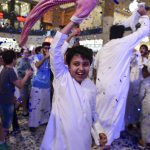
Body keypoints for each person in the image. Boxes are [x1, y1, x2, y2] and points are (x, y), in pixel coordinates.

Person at [40, 2, 107, 150]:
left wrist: (100, 132)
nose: (81, 69)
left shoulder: (90, 86)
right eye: (76, 64)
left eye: (85, 64)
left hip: (83, 143)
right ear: (68, 66)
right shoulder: (62, 79)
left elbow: (94, 114)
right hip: (60, 144)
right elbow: (55, 48)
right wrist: (75, 20)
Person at [94, 6, 150, 146]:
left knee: (100, 119)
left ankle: (98, 141)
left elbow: (95, 69)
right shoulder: (123, 43)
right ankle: (104, 145)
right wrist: (144, 15)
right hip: (115, 90)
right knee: (111, 123)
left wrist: (136, 14)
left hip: (101, 88)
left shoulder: (104, 48)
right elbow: (144, 30)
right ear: (122, 35)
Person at [0, 50, 33, 147]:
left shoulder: (4, 69)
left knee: (4, 123)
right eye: (15, 58)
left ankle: (3, 140)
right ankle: (2, 143)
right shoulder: (10, 71)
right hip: (6, 102)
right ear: (13, 59)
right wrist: (27, 75)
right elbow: (20, 85)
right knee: (6, 125)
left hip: (5, 99)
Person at [28, 42, 51, 132]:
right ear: (42, 48)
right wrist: (45, 57)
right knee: (35, 105)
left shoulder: (50, 58)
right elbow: (37, 65)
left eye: (49, 48)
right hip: (37, 85)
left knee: (45, 104)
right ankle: (33, 124)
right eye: (45, 48)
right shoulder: (36, 56)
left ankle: (44, 120)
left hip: (47, 85)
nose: (47, 49)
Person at [17, 48, 32, 116]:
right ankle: (24, 111)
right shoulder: (20, 61)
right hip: (22, 81)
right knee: (23, 97)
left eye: (28, 53)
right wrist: (26, 73)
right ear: (22, 53)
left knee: (26, 96)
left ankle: (19, 107)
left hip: (28, 81)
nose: (27, 54)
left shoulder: (29, 60)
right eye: (25, 53)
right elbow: (18, 71)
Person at [138, 66, 150, 149]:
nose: (142, 74)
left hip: (147, 104)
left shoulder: (145, 81)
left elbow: (141, 95)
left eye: (143, 72)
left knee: (145, 123)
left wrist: (140, 102)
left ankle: (144, 142)